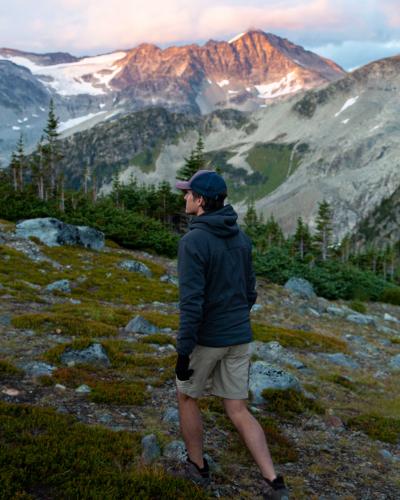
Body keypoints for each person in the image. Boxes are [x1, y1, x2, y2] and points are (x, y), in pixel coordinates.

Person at [174, 169, 289, 500]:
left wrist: (184, 352)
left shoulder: (193, 242)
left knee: (186, 395)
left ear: (201, 201)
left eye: (188, 193)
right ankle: (273, 481)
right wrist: (236, 319)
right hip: (239, 336)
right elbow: (250, 292)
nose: (184, 197)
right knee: (237, 409)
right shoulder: (241, 238)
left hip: (208, 339)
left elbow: (192, 304)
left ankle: (197, 468)